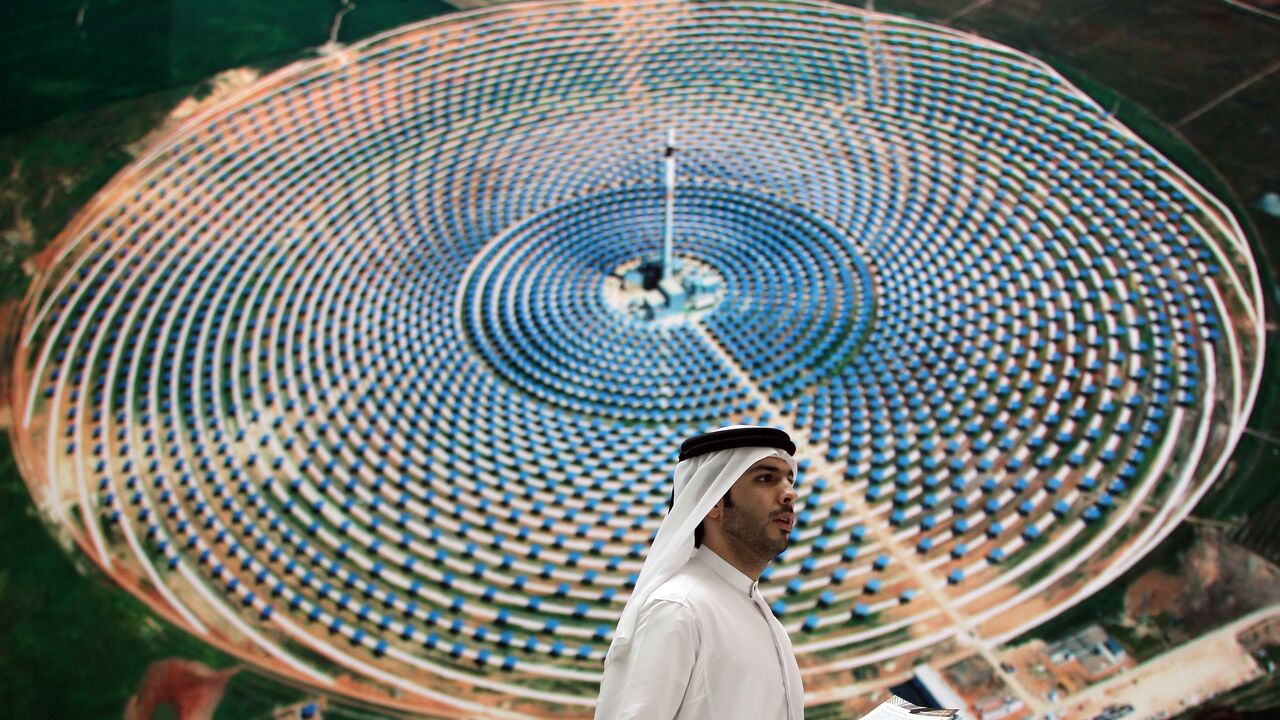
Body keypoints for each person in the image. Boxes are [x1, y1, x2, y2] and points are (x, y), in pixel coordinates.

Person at [595, 425, 804, 719]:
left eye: (790, 480)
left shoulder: (758, 613)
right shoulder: (677, 609)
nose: (789, 494)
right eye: (766, 478)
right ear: (713, 502)